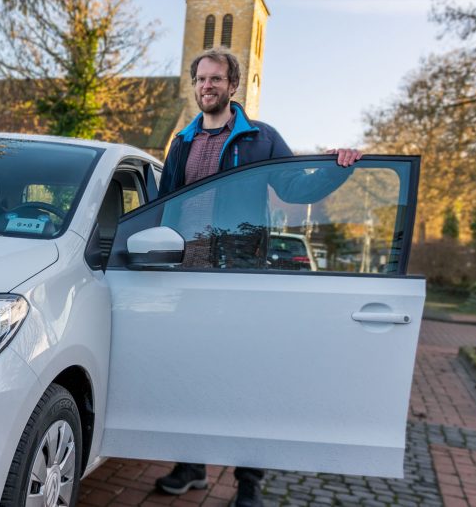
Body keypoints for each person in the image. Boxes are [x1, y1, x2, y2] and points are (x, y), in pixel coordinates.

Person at [153, 48, 361, 506]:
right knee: (190, 371)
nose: (207, 86)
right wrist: (151, 254)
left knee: (244, 375)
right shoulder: (182, 142)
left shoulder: (259, 138)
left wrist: (336, 166)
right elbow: (164, 202)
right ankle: (192, 465)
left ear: (233, 86)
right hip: (187, 271)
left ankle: (249, 482)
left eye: (216, 79)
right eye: (201, 79)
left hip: (239, 270)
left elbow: (294, 186)